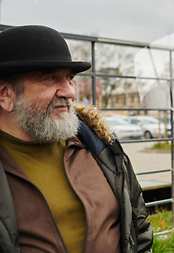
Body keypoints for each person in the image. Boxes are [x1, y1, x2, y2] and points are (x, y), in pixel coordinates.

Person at [0, 25, 153, 253]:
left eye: (69, 78)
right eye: (50, 79)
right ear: (5, 95)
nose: (70, 92)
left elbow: (138, 228)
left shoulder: (101, 147)